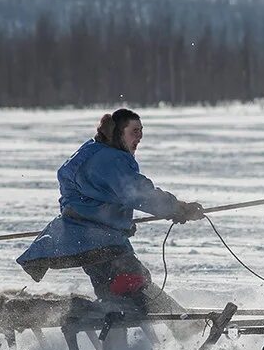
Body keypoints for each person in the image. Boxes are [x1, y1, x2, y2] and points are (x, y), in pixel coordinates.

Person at [17, 109, 205, 319]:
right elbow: (137, 193)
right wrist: (179, 208)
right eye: (134, 131)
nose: (140, 136)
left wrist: (117, 221)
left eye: (141, 130)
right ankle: (184, 327)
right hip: (99, 243)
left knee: (117, 296)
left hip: (88, 240)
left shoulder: (93, 151)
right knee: (134, 283)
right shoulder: (110, 160)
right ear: (117, 133)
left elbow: (87, 198)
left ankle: (116, 341)